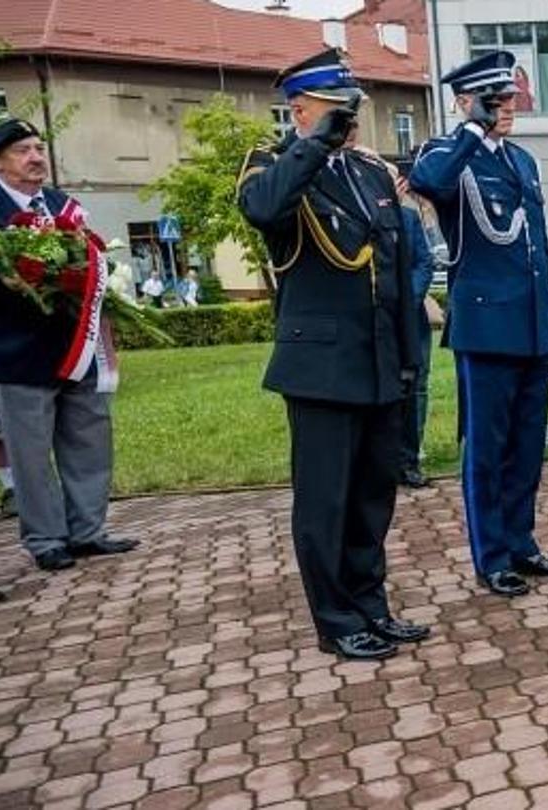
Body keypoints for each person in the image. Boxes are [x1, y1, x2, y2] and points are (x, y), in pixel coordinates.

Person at [237, 48, 427, 660]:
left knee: (374, 494)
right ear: (300, 110)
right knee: (326, 502)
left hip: (376, 361)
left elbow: (394, 272)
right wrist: (313, 143)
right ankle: (335, 618)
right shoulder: (274, 166)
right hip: (320, 368)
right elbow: (264, 209)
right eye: (336, 106)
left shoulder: (371, 173)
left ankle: (371, 604)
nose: (351, 115)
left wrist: (406, 356)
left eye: (353, 105)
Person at [411, 51, 548, 598]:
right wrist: (471, 129)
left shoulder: (522, 161)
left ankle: (522, 541)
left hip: (529, 323)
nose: (506, 108)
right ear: (465, 102)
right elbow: (428, 182)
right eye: (494, 100)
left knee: (527, 444)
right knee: (487, 447)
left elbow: (540, 244)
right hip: (485, 326)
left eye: (508, 99)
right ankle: (492, 555)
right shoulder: (447, 152)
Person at [0, 117, 139, 574]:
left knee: (89, 439)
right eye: (23, 151)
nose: (36, 157)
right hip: (17, 352)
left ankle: (88, 530)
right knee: (31, 453)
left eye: (39, 148)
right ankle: (46, 538)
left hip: (77, 349)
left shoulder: (63, 205)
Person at [395, 173, 444, 489]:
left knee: (417, 385)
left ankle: (410, 459)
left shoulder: (410, 216)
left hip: (411, 317)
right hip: (377, 319)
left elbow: (425, 263)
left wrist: (407, 302)